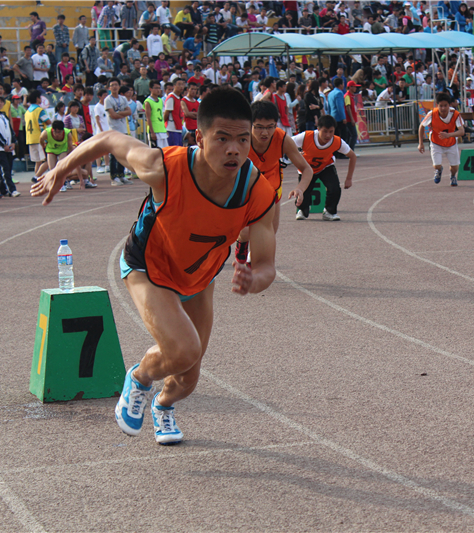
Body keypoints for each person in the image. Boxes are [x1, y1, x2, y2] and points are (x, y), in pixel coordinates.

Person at [31, 88, 282, 446]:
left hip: (199, 279)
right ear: (199, 137)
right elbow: (108, 138)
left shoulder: (256, 191)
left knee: (188, 377)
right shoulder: (164, 166)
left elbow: (267, 266)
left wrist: (253, 279)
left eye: (243, 140)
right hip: (148, 268)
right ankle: (139, 377)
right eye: (222, 138)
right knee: (183, 350)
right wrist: (60, 168)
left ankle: (162, 406)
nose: (234, 150)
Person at [233, 100, 313, 264]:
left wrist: (300, 188)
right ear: (250, 124)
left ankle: (252, 259)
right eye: (259, 127)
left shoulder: (282, 139)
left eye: (270, 127)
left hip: (271, 185)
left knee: (270, 231)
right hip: (246, 184)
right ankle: (242, 242)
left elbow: (307, 169)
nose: (265, 132)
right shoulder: (240, 138)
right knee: (246, 231)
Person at [293, 114, 356, 222]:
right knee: (303, 193)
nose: (328, 135)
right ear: (318, 129)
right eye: (325, 131)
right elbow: (287, 144)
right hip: (307, 168)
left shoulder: (337, 141)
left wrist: (349, 178)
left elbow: (352, 156)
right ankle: (303, 210)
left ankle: (329, 212)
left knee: (335, 188)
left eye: (331, 131)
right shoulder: (306, 136)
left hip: (325, 166)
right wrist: (295, 154)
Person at [417, 92, 466, 187]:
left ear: (449, 105)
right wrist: (420, 143)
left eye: (445, 105)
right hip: (436, 142)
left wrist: (449, 135)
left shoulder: (455, 114)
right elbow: (421, 126)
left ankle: (452, 176)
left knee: (455, 167)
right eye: (441, 106)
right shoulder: (432, 114)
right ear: (437, 105)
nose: (443, 108)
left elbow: (462, 131)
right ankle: (439, 170)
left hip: (451, 143)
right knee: (436, 165)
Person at [40, 120, 87, 192]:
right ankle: (53, 183)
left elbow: (71, 150)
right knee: (52, 169)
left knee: (61, 167)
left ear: (63, 130)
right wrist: (43, 145)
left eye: (59, 132)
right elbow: (41, 139)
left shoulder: (67, 134)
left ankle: (62, 184)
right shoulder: (46, 133)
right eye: (55, 132)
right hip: (51, 149)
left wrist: (81, 181)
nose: (57, 134)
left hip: (62, 150)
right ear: (52, 130)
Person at [105, 78, 134, 184]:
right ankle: (114, 177)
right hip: (114, 130)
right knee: (114, 154)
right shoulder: (108, 100)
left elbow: (129, 111)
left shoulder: (123, 98)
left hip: (123, 129)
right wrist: (122, 113)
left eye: (116, 84)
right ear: (109, 88)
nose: (114, 87)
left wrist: (119, 113)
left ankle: (121, 175)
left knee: (122, 153)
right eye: (112, 85)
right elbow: (113, 115)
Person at [25, 89, 52, 180]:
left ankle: (37, 178)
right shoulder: (39, 110)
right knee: (48, 159)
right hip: (40, 138)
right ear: (37, 99)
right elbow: (48, 121)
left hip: (30, 139)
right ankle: (36, 176)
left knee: (38, 161)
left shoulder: (27, 111)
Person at [143, 80, 168, 148]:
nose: (158, 90)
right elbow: (148, 118)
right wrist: (152, 132)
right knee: (156, 151)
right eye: (156, 88)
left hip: (162, 129)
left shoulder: (161, 100)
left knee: (165, 151)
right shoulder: (148, 101)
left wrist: (165, 129)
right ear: (150, 89)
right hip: (155, 130)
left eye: (159, 88)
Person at [164, 78, 185, 146]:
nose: (181, 86)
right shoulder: (171, 97)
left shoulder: (178, 97)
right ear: (174, 86)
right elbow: (166, 113)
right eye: (179, 84)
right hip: (171, 129)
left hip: (178, 128)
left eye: (182, 84)